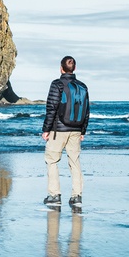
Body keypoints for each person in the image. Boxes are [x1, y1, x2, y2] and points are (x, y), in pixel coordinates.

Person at [42, 56, 88, 208]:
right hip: (76, 129)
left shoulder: (57, 84)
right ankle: (77, 197)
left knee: (52, 160)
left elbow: (51, 108)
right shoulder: (82, 86)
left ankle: (54, 195)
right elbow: (87, 110)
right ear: (74, 69)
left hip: (58, 130)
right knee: (75, 162)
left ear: (61, 68)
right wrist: (83, 130)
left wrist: (46, 129)